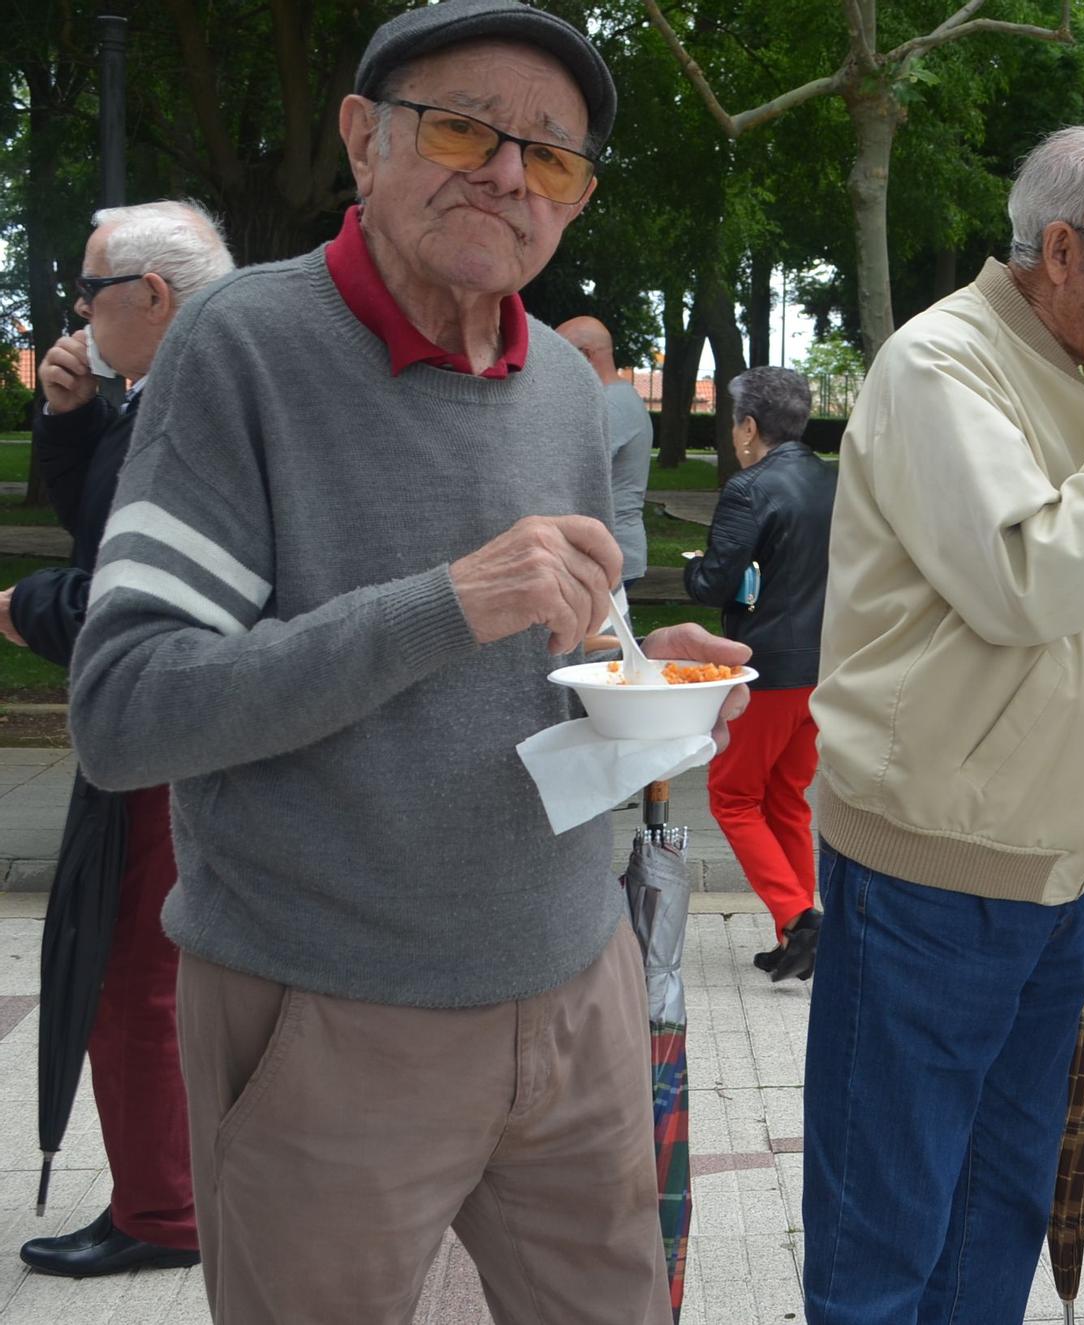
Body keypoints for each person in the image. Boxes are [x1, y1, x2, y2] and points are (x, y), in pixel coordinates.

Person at [65, 2, 747, 1320]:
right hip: (334, 1014)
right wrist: (447, 601)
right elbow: (125, 711)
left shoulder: (560, 379)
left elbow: (528, 647)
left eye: (550, 157)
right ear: (362, 139)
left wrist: (634, 666)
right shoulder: (244, 344)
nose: (506, 171)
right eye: (464, 127)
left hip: (578, 982)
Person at [802, 123, 1084, 1323]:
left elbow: (1070, 610)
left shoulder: (1077, 369)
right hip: (933, 874)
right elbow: (1028, 576)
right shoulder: (943, 364)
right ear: (1060, 246)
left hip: (1049, 873)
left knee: (997, 1209)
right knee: (885, 1228)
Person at [6, 200, 232, 1280]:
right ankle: (173, 1193)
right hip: (182, 725)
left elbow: (149, 587)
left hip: (170, 728)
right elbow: (111, 530)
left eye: (89, 293)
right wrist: (74, 417)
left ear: (152, 295)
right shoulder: (174, 388)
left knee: (135, 974)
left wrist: (32, 607)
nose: (77, 316)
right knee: (143, 970)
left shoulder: (199, 395)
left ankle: (166, 1206)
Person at [684, 365, 837, 981]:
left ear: (748, 426)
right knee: (785, 798)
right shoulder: (834, 482)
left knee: (732, 796)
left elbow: (715, 583)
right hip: (822, 667)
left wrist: (698, 568)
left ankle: (800, 918)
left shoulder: (748, 489)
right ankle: (798, 931)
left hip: (764, 670)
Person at [556, 315, 652, 597]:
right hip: (610, 551)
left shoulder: (610, 405)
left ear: (586, 356)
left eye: (559, 354)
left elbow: (563, 473)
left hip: (609, 554)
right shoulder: (618, 398)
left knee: (594, 641)